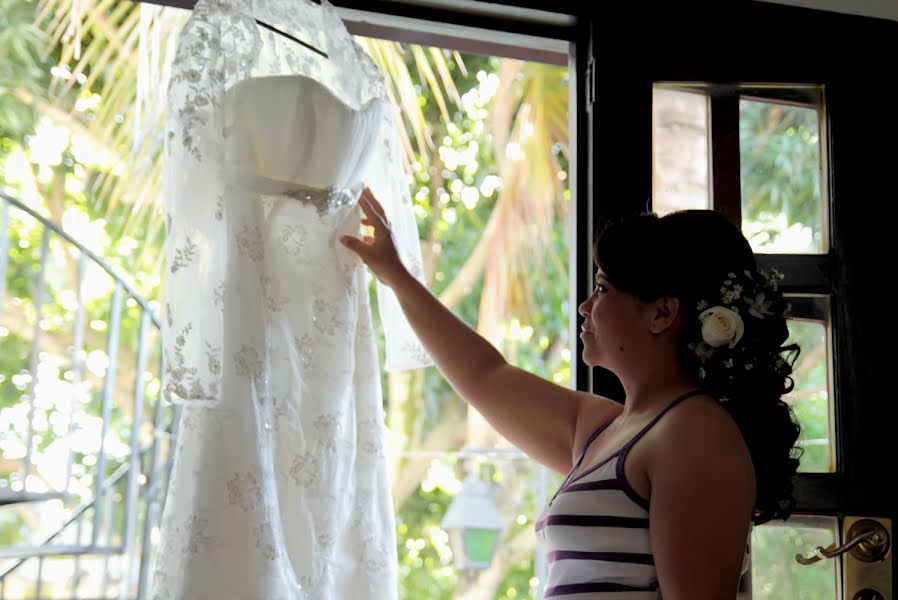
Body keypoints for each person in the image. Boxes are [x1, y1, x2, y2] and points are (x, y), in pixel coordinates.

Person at [341, 188, 801, 598]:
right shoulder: (607, 430)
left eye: (602, 288)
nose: (586, 306)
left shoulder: (694, 433)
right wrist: (395, 276)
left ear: (661, 313)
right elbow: (485, 376)